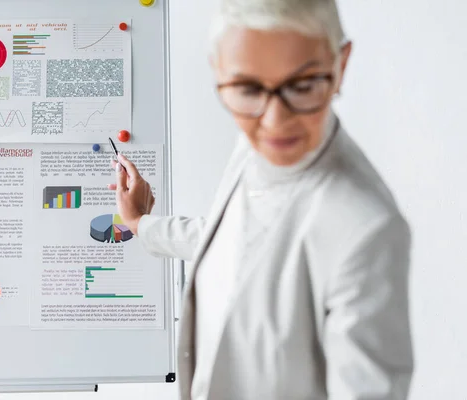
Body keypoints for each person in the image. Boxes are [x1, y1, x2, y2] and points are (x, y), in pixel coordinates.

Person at [110, 0, 413, 398]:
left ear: (342, 64)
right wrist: (142, 225)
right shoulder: (256, 146)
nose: (274, 119)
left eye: (302, 86)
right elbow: (237, 243)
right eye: (248, 88)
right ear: (220, 71)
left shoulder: (365, 227)